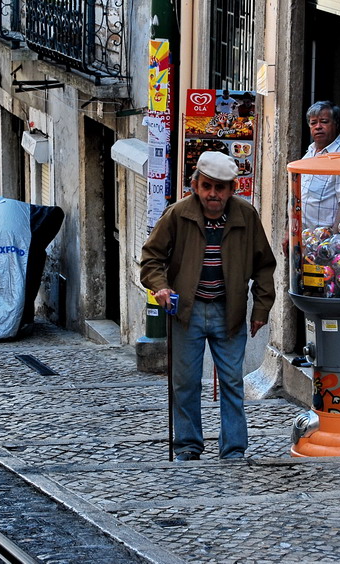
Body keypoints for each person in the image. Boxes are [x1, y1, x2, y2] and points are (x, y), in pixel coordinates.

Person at [140, 151, 276, 461]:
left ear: (233, 189)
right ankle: (188, 445)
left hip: (228, 311)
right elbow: (151, 258)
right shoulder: (177, 214)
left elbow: (264, 265)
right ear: (195, 186)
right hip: (186, 311)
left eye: (220, 188)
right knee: (185, 383)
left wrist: (261, 309)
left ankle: (233, 449)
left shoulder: (246, 216)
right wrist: (161, 288)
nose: (212, 194)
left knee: (231, 381)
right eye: (206, 186)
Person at [300, 100, 340, 231]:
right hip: (304, 237)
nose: (318, 127)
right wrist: (289, 230)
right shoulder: (310, 152)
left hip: (323, 241)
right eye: (313, 123)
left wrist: (331, 242)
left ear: (336, 124)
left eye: (324, 122)